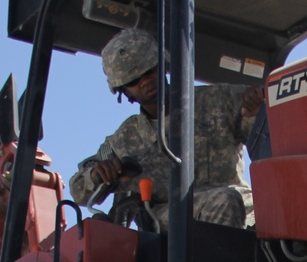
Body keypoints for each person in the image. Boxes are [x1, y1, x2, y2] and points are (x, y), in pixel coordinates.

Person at [69, 27, 262, 229]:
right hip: (171, 220)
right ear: (123, 90)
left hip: (242, 207)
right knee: (226, 201)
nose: (145, 82)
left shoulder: (218, 101)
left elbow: (264, 133)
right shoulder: (124, 140)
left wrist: (258, 110)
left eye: (149, 71)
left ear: (162, 65)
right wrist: (95, 175)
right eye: (134, 81)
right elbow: (78, 189)